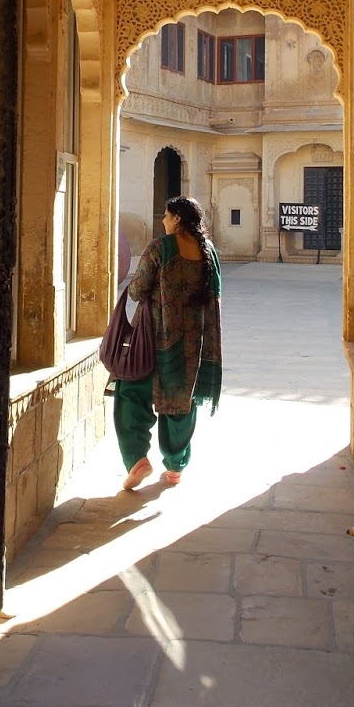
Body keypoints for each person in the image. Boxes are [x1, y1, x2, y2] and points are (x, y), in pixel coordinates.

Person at [112, 195, 223, 490]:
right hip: (190, 344)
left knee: (131, 393)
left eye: (165, 215)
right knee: (181, 401)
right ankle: (175, 467)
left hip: (151, 338)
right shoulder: (208, 252)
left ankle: (137, 459)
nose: (163, 220)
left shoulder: (161, 246)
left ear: (176, 219)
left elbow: (136, 290)